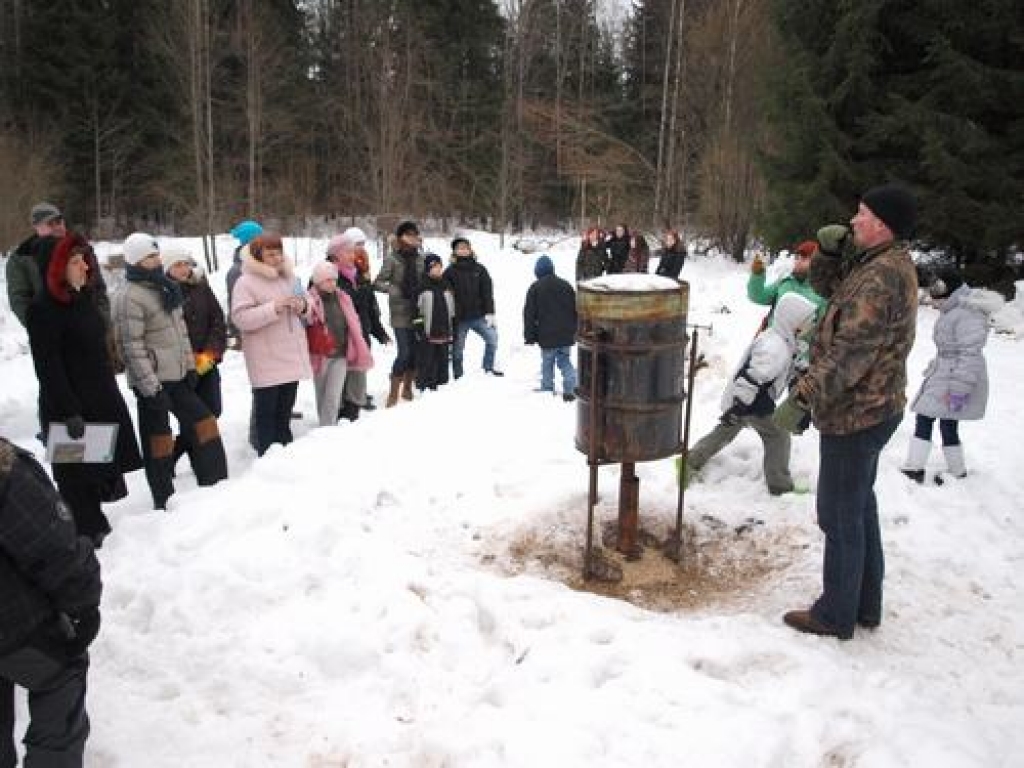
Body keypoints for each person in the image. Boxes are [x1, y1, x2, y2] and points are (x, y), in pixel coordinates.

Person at [773, 183, 919, 640]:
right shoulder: (875, 265)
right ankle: (864, 605)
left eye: (862, 214)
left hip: (858, 414)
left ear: (882, 224)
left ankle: (836, 614)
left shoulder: (881, 276)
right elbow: (832, 293)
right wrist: (831, 256)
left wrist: (802, 396)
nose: (854, 220)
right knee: (858, 507)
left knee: (838, 513)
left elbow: (851, 354)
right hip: (872, 408)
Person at [26, 234, 143, 547]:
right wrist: (69, 411)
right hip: (69, 408)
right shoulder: (43, 309)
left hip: (98, 399)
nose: (85, 269)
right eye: (75, 263)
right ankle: (86, 536)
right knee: (76, 479)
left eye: (84, 262)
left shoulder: (82, 299)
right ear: (57, 267)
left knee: (98, 472)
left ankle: (93, 531)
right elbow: (48, 367)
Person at [0, 436, 103, 768]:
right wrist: (83, 605)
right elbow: (53, 547)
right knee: (60, 675)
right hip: (15, 626)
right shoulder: (6, 470)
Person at [113, 233, 228, 509]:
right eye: (149, 257)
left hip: (178, 376)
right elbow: (130, 347)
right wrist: (151, 388)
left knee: (204, 423)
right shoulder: (128, 295)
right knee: (159, 441)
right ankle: (164, 499)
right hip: (153, 383)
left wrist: (190, 366)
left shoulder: (165, 288)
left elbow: (181, 334)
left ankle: (215, 484)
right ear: (134, 261)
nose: (156, 261)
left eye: (156, 255)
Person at [682, 292, 818, 495]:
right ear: (793, 322)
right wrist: (739, 407)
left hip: (750, 400)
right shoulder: (775, 347)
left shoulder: (784, 341)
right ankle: (780, 485)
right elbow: (752, 377)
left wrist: (800, 367)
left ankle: (689, 464)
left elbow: (786, 366)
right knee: (778, 436)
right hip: (751, 401)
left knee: (724, 432)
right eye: (806, 322)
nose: (810, 327)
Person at [901, 270, 1003, 483]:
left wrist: (959, 391)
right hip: (945, 373)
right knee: (945, 420)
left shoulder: (968, 314)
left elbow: (969, 355)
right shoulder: (953, 310)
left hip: (956, 377)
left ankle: (915, 467)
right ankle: (956, 471)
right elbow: (950, 349)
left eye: (937, 294)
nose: (933, 300)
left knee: (926, 415)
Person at [231, 233, 313, 455]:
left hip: (291, 355)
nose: (277, 258)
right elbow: (240, 318)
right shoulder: (245, 282)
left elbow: (310, 305)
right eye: (270, 254)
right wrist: (273, 308)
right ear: (258, 256)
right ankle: (267, 460)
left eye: (279, 253)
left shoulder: (290, 278)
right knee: (266, 416)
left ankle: (285, 455)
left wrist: (303, 306)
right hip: (266, 358)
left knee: (284, 413)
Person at [162, 247, 228, 468]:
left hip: (206, 361)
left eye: (185, 264)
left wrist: (210, 354)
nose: (183, 269)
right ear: (167, 269)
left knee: (213, 410)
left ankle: (176, 454)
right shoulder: (163, 292)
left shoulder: (201, 287)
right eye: (177, 265)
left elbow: (217, 320)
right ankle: (196, 459)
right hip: (181, 367)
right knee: (191, 417)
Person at [327, 228, 388, 420]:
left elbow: (370, 308)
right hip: (339, 341)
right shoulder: (326, 277)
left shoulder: (359, 275)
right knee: (338, 385)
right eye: (349, 251)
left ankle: (352, 416)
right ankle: (337, 418)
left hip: (360, 337)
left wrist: (380, 333)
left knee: (357, 384)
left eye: (355, 251)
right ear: (336, 255)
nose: (354, 255)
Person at [305, 260, 373, 427]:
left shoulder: (343, 298)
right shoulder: (310, 299)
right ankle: (324, 427)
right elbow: (305, 321)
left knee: (334, 394)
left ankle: (328, 428)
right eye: (328, 280)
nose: (332, 283)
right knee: (322, 392)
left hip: (341, 353)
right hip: (320, 354)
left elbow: (353, 322)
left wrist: (357, 344)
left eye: (334, 280)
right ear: (319, 281)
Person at [374, 221, 425, 406]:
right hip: (399, 312)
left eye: (415, 235)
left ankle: (408, 387)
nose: (412, 238)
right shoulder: (392, 259)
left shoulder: (422, 259)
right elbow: (377, 282)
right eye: (408, 234)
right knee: (404, 353)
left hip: (417, 311)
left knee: (415, 353)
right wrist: (393, 289)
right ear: (400, 237)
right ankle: (393, 391)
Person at [443, 236, 503, 379]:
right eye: (459, 248)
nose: (463, 250)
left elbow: (487, 292)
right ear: (455, 252)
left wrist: (490, 312)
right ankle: (458, 375)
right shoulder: (449, 272)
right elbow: (447, 296)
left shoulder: (480, 269)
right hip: (460, 319)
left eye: (465, 248)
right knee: (457, 350)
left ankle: (488, 368)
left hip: (479, 316)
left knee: (492, 339)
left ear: (470, 250)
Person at [524, 255, 578, 402]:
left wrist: (529, 336)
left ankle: (547, 389)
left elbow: (529, 314)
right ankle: (571, 388)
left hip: (547, 335)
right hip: (566, 333)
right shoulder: (566, 285)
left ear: (537, 272)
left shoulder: (535, 288)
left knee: (547, 362)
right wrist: (576, 329)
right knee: (565, 360)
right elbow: (576, 309)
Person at [748, 240, 826, 325]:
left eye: (804, 259)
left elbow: (823, 325)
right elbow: (757, 296)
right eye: (797, 258)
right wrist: (757, 274)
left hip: (801, 338)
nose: (798, 262)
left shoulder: (823, 292)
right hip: (772, 336)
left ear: (816, 262)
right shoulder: (786, 282)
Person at [413, 254, 455, 391]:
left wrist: (453, 326)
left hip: (444, 330)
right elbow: (415, 311)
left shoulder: (446, 285)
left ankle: (440, 385)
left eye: (439, 267)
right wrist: (419, 329)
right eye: (433, 267)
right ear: (427, 269)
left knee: (442, 360)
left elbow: (452, 309)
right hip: (428, 331)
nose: (437, 270)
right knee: (427, 361)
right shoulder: (421, 286)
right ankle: (425, 386)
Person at [225, 220, 263, 348]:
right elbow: (234, 305)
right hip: (251, 332)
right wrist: (236, 332)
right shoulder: (237, 271)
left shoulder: (265, 263)